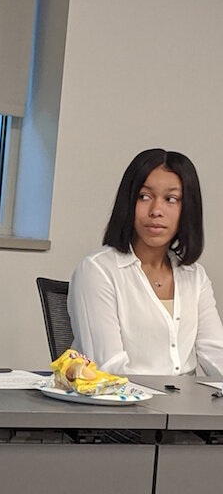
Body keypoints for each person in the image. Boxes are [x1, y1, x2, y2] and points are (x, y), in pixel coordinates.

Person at [68, 148, 223, 375]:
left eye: (171, 199)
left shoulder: (195, 276)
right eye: (144, 197)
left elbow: (216, 354)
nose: (156, 211)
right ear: (129, 202)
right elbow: (108, 367)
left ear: (187, 208)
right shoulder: (97, 270)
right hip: (124, 397)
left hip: (186, 398)